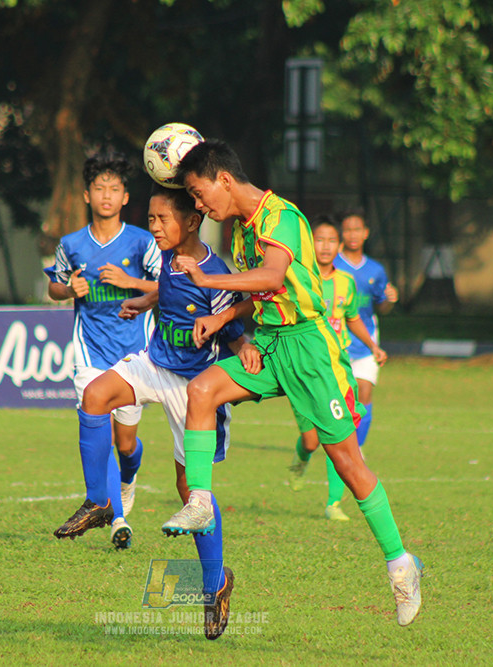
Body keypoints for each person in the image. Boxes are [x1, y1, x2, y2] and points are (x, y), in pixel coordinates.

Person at [167, 139, 424, 627]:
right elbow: (261, 290)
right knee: (201, 390)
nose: (199, 207)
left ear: (223, 179)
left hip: (308, 348)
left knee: (347, 463)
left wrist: (204, 280)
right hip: (268, 342)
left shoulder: (280, 215)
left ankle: (400, 564)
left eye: (200, 195)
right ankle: (200, 500)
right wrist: (225, 323)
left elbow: (273, 274)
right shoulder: (241, 230)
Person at [80, 184, 259, 639]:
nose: (153, 226)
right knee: (95, 396)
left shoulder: (215, 272)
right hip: (154, 363)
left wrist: (244, 346)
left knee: (189, 490)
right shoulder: (166, 256)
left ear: (192, 222)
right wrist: (146, 299)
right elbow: (169, 288)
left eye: (162, 219)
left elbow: (234, 320)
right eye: (151, 218)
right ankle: (101, 501)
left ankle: (216, 584)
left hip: (195, 387)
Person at [44, 152, 160, 549]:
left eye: (114, 189)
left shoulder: (143, 242)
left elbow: (167, 288)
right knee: (104, 432)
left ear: (125, 197)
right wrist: (68, 289)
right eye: (99, 188)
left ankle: (128, 481)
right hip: (90, 353)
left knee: (127, 445)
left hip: (133, 356)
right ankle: (116, 517)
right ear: (87, 195)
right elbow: (54, 287)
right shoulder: (72, 244)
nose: (106, 195)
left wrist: (131, 281)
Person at [288, 219, 388, 522]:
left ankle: (333, 502)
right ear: (310, 243)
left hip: (336, 368)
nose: (326, 246)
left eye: (332, 240)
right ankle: (300, 461)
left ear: (339, 245)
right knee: (311, 440)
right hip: (305, 369)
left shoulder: (346, 281)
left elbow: (353, 317)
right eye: (320, 239)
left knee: (338, 433)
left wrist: (372, 345)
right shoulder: (299, 276)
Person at [332, 208, 398, 453]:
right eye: (347, 230)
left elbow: (382, 307)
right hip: (336, 340)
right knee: (337, 398)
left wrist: (389, 299)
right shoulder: (332, 265)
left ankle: (356, 449)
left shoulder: (375, 270)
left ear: (366, 233)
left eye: (357, 229)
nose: (352, 234)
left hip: (366, 338)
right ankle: (337, 444)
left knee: (364, 393)